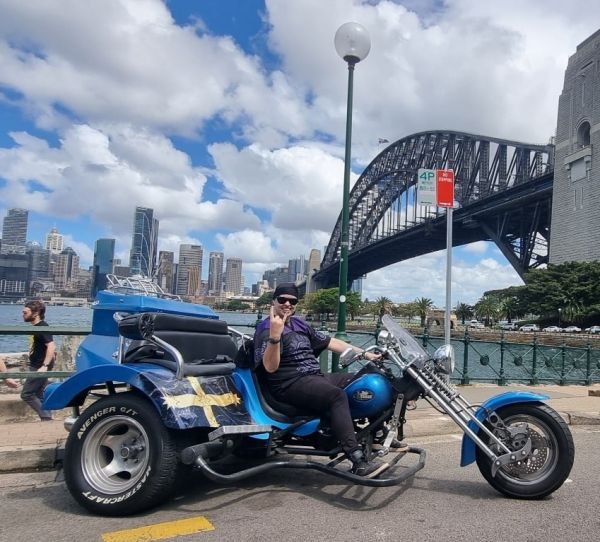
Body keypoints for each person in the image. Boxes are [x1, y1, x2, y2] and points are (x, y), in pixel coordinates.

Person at [254, 283, 387, 477]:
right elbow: (270, 367)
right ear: (273, 301)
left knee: (368, 380)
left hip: (313, 376)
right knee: (336, 396)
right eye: (282, 299)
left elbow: (332, 342)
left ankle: (376, 436)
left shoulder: (299, 323)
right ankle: (357, 459)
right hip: (289, 383)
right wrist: (275, 337)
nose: (287, 304)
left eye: (292, 301)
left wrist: (366, 355)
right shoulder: (266, 328)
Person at [20, 300, 55, 421]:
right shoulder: (36, 327)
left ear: (36, 313)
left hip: (40, 366)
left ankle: (46, 417)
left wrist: (45, 365)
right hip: (37, 364)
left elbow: (51, 346)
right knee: (40, 394)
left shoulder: (42, 327)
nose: (23, 314)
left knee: (27, 394)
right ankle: (47, 418)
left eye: (25, 312)